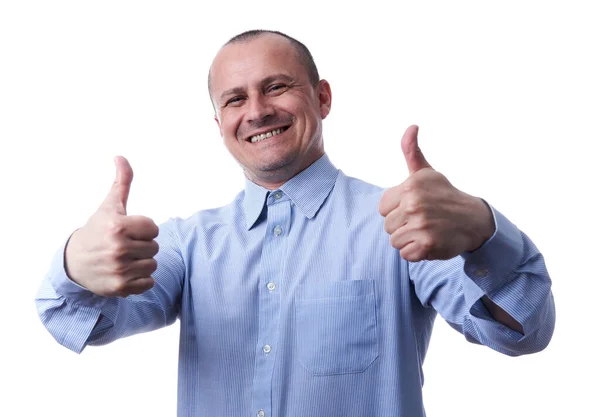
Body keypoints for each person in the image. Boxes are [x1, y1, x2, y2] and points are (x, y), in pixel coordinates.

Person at [36, 29, 555, 417]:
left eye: (276, 86)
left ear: (322, 97)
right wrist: (75, 267)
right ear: (219, 125)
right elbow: (76, 322)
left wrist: (485, 235)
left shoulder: (399, 224)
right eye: (235, 99)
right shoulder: (186, 245)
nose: (257, 110)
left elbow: (522, 333)